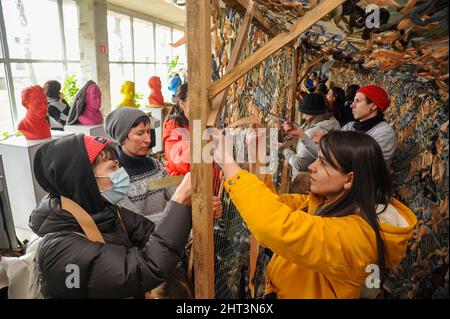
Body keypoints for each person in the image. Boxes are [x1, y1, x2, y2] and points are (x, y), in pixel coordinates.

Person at [211, 130, 417, 298]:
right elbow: (276, 207)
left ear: (349, 179)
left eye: (323, 162)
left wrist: (227, 162)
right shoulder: (326, 202)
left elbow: (276, 227)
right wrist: (258, 159)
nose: (311, 167)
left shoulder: (359, 238)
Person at [29, 134, 192, 298]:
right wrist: (179, 203)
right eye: (113, 168)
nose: (122, 173)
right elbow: (142, 270)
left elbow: (150, 233)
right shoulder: (62, 250)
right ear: (84, 177)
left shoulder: (107, 212)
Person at [105, 107, 176, 223]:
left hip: (165, 234)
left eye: (148, 132)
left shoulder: (156, 166)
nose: (148, 139)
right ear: (122, 138)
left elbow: (176, 196)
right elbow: (136, 223)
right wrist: (178, 214)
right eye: (140, 133)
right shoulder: (113, 177)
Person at [279, 93, 340, 180]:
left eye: (304, 113)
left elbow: (299, 164)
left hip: (307, 181)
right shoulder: (334, 122)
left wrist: (284, 150)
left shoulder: (313, 133)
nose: (303, 117)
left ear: (312, 113)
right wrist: (299, 133)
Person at [342, 84, 396, 163]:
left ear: (373, 106)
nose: (351, 105)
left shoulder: (385, 133)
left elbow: (366, 164)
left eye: (357, 101)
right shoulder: (350, 126)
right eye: (353, 101)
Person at [163, 83, 190, 176]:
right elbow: (182, 162)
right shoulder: (172, 127)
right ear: (182, 104)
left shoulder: (201, 123)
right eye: (195, 102)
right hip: (181, 185)